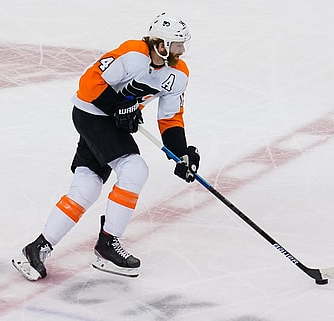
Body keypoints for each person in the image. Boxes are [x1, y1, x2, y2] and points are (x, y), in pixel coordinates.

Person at [12, 12, 200, 281]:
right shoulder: (133, 53)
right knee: (134, 170)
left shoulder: (178, 74)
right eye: (177, 44)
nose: (182, 51)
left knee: (87, 186)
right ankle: (108, 243)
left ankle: (37, 248)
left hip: (113, 122)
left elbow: (170, 117)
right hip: (91, 114)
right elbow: (89, 83)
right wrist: (118, 107)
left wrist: (180, 153)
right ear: (161, 44)